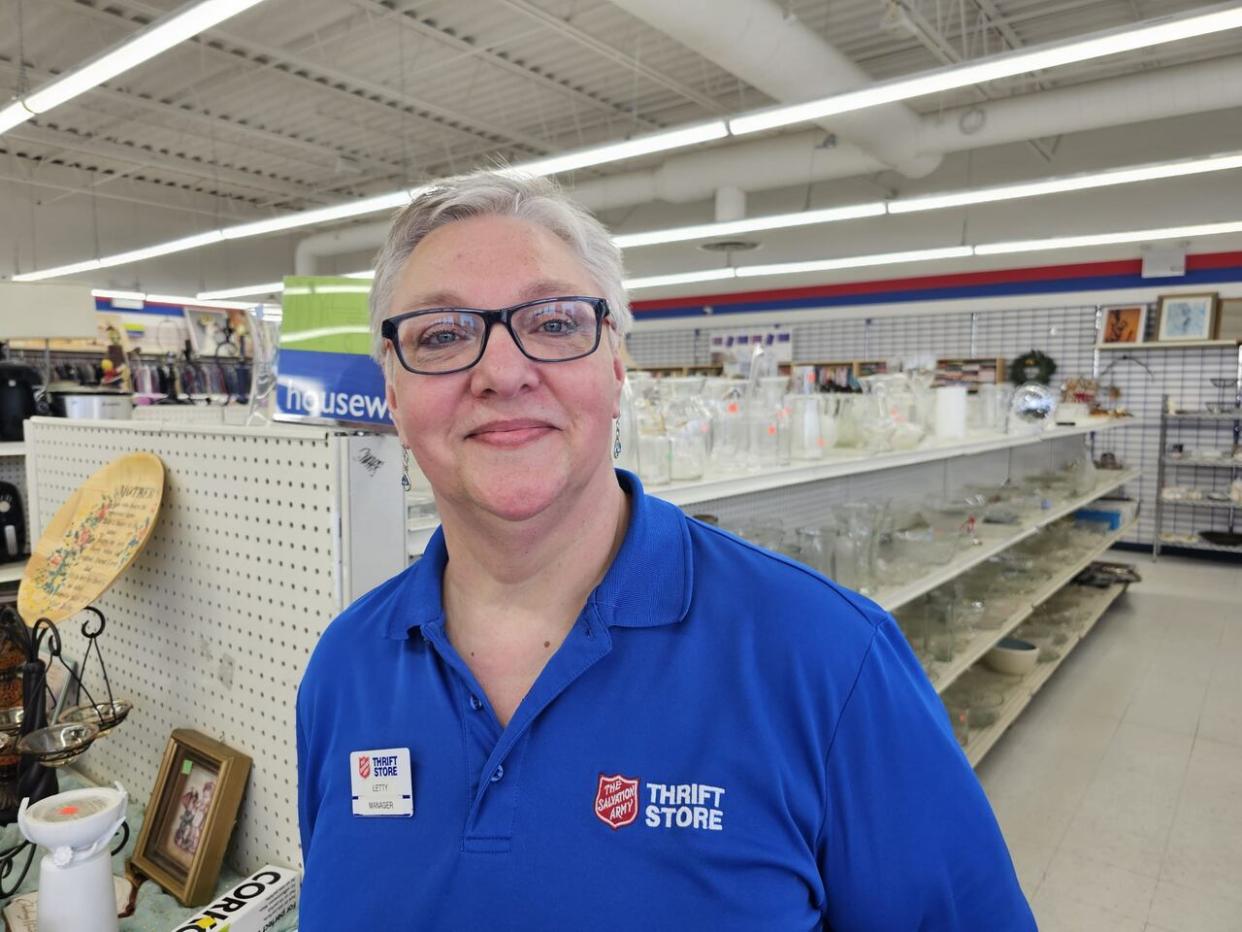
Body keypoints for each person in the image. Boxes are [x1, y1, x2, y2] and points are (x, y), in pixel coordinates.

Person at [295, 170, 1036, 930]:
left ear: (616, 366)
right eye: (442, 336)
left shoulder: (829, 660)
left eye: (553, 323)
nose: (502, 371)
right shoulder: (345, 669)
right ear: (392, 393)